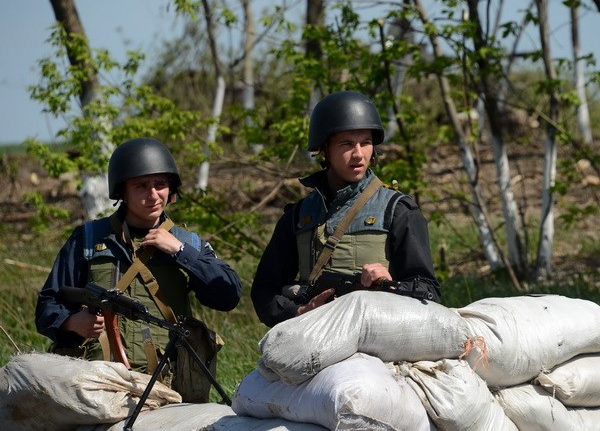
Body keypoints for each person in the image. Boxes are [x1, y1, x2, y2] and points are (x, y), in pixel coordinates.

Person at [35, 137, 242, 376]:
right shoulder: (88, 238)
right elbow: (46, 306)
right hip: (99, 381)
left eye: (160, 184)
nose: (153, 195)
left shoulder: (188, 243)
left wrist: (181, 252)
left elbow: (228, 295)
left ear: (171, 188)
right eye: (141, 186)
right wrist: (72, 322)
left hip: (169, 384)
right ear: (122, 191)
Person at [251, 91, 441, 327]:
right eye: (346, 144)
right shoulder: (298, 216)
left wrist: (391, 284)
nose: (359, 154)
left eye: (366, 143)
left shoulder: (399, 210)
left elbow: (429, 292)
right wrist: (300, 312)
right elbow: (263, 291)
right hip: (311, 334)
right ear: (324, 149)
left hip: (379, 336)